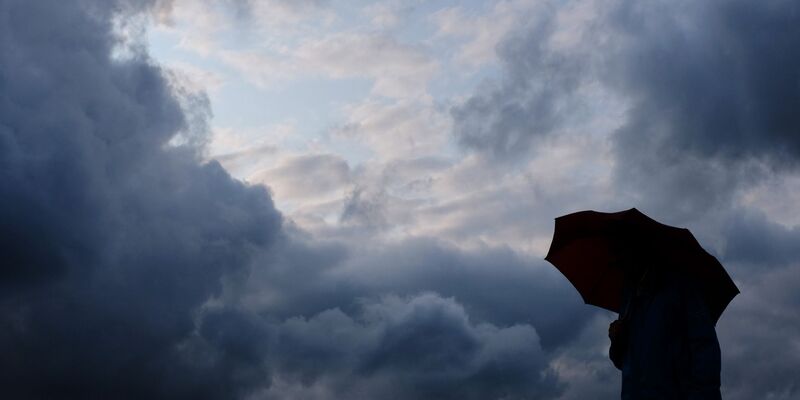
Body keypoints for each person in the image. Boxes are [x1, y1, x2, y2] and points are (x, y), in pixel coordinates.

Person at [608, 262, 722, 399]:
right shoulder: (629, 298)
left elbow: (705, 351)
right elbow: (629, 363)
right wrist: (618, 342)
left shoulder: (681, 287)